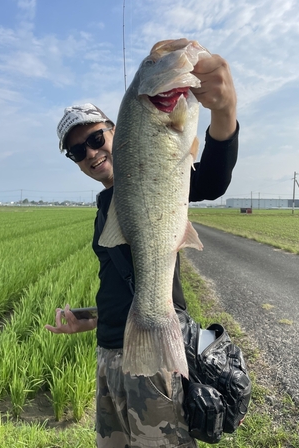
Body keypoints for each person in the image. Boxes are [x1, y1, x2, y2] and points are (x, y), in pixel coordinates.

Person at [46, 53, 239, 448]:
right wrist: (91, 319)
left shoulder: (163, 172)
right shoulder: (104, 212)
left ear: (117, 131)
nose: (90, 153)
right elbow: (119, 287)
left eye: (96, 138)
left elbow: (215, 179)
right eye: (77, 151)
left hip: (154, 356)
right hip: (109, 357)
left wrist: (225, 112)